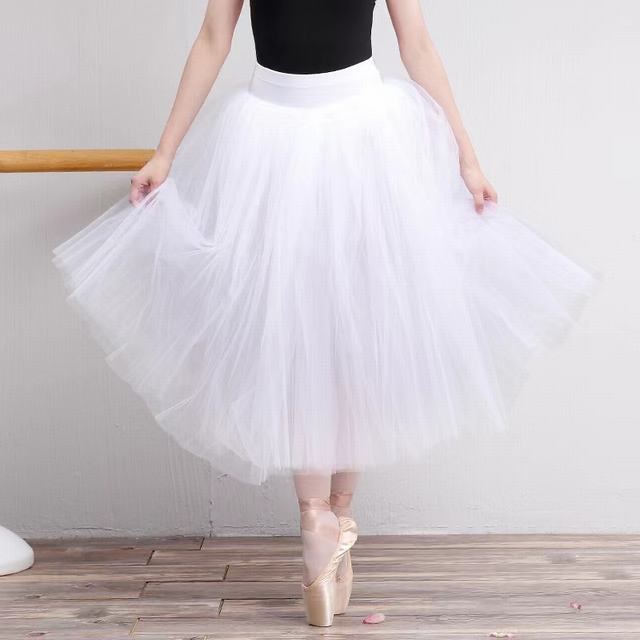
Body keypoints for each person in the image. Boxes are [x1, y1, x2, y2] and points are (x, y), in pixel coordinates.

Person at [52, 0, 597, 627]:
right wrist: (467, 157)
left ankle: (317, 519)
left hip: (272, 134)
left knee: (299, 334)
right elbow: (416, 43)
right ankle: (339, 512)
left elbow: (212, 39)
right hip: (360, 133)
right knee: (356, 330)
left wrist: (166, 152)